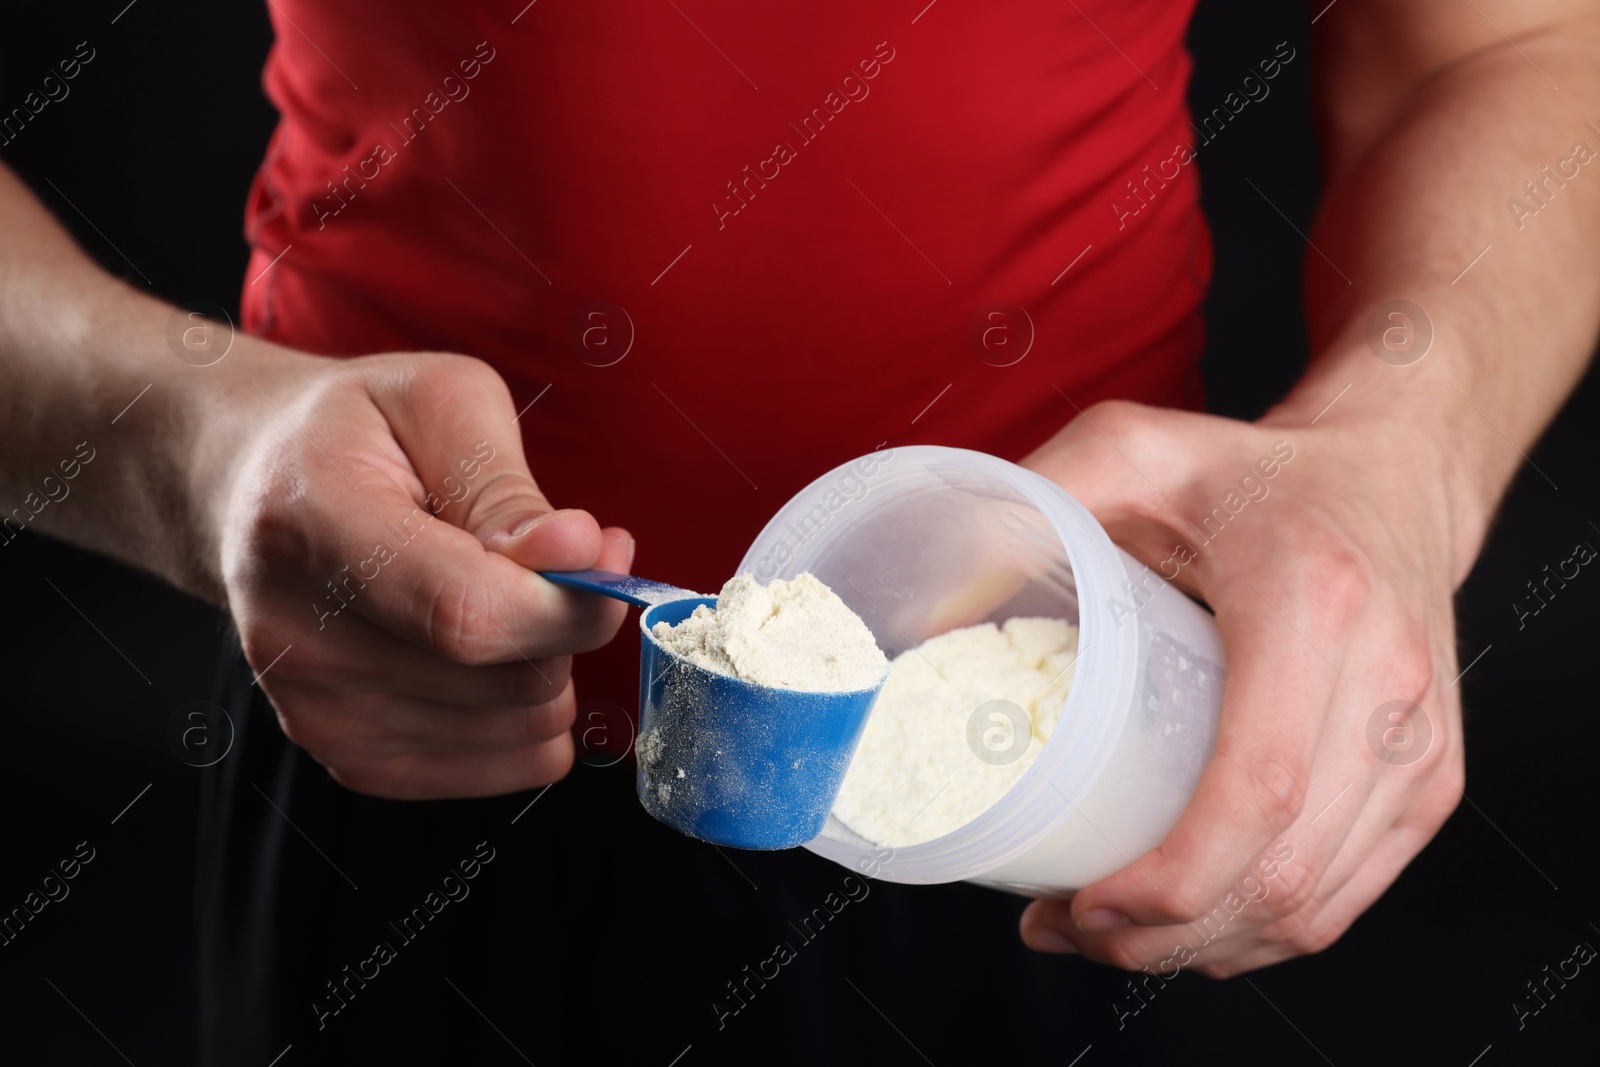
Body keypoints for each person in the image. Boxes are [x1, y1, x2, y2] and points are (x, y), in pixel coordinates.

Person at [2, 0, 1596, 1062]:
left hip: (1073, 782)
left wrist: (1403, 458)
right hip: (397, 730)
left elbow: (1507, 44)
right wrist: (194, 452)